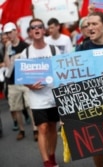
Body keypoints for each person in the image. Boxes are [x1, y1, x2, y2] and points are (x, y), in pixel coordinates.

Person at [20, 18, 61, 167]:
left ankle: (52, 156)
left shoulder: (54, 50)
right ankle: (46, 163)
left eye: (39, 26)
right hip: (37, 98)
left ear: (44, 30)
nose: (36, 29)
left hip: (53, 95)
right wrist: (29, 85)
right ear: (30, 32)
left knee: (52, 127)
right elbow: (22, 77)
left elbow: (62, 70)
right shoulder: (26, 53)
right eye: (33, 27)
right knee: (42, 127)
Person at [75, 11, 103, 167]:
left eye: (94, 24)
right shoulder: (81, 49)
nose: (90, 28)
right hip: (93, 101)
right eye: (88, 25)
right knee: (97, 143)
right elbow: (72, 79)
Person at [3, 22, 38, 140]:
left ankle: (35, 129)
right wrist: (8, 52)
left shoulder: (25, 46)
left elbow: (31, 63)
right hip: (12, 81)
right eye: (6, 33)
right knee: (16, 108)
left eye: (10, 32)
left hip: (25, 80)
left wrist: (19, 56)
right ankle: (21, 130)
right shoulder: (7, 47)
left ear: (16, 31)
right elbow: (7, 65)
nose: (8, 35)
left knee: (30, 106)